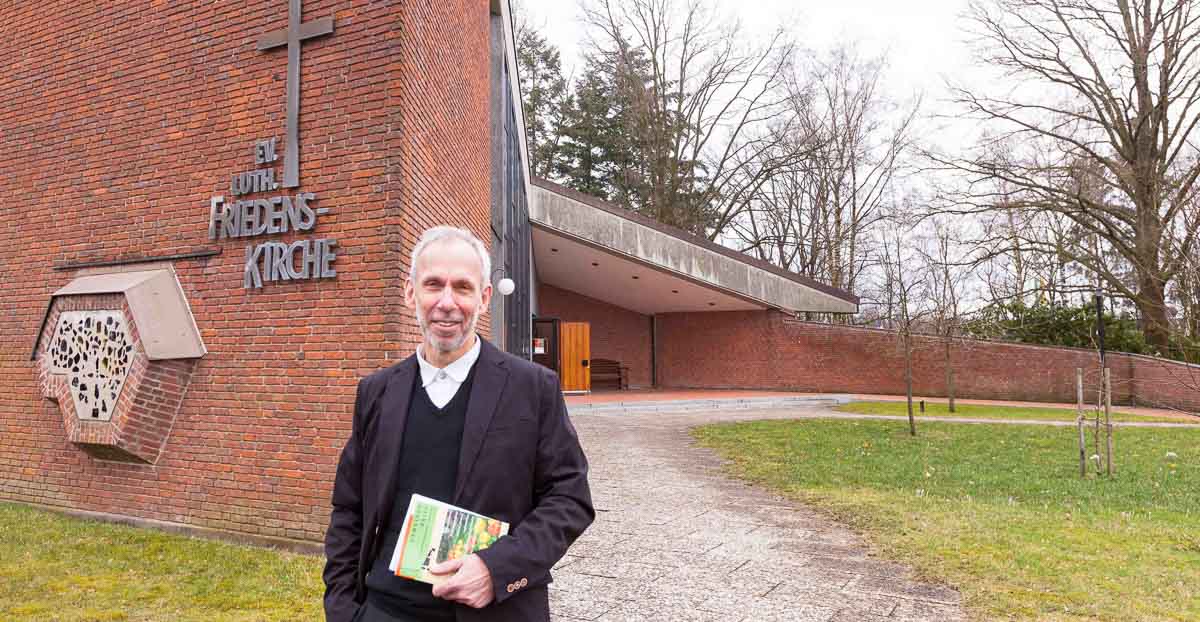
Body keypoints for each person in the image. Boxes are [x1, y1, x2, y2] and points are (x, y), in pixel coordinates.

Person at [323, 226, 594, 622]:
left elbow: (570, 499)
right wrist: (343, 608)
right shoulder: (376, 392)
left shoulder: (532, 388)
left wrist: (496, 570)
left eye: (463, 288)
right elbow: (349, 508)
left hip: (496, 611)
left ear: (484, 298)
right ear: (411, 292)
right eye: (433, 284)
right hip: (385, 610)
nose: (447, 303)